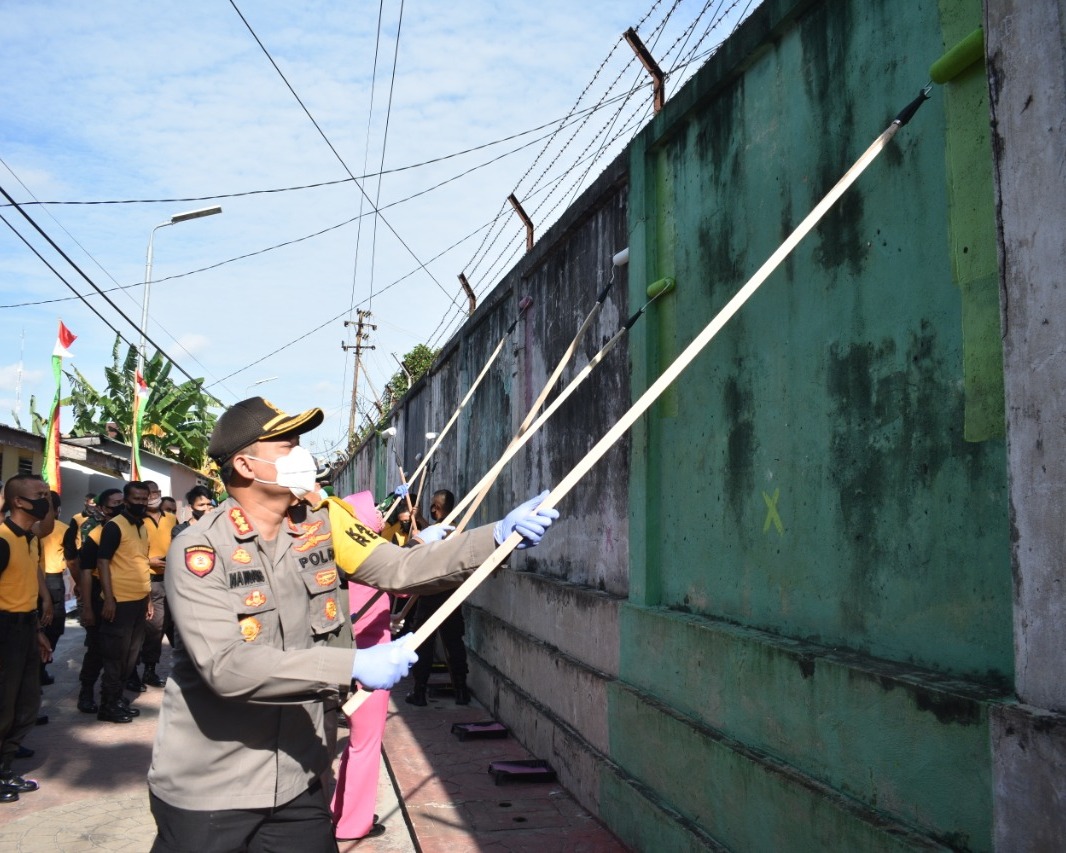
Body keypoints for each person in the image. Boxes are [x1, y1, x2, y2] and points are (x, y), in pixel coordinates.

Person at [147, 396, 558, 852]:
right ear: (245, 465)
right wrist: (350, 665)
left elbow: (401, 568)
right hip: (212, 784)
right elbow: (225, 666)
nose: (302, 454)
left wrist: (496, 535)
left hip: (298, 775)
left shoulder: (320, 523)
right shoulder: (198, 551)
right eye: (286, 445)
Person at [330, 491, 391, 842]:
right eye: (376, 513)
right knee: (366, 744)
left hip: (356, 659)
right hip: (369, 666)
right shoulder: (366, 566)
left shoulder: (343, 562)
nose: (381, 517)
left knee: (358, 742)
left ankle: (343, 810)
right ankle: (354, 823)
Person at [0, 475, 55, 803]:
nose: (45, 501)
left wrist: (36, 631)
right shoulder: (3, 539)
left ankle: (6, 769)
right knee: (3, 705)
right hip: (4, 629)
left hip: (23, 626)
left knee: (26, 702)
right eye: (40, 495)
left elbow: (45, 528)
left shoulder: (29, 538)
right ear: (18, 502)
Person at [404, 489, 472, 706]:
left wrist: (420, 523)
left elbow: (430, 542)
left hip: (435, 591)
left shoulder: (450, 530)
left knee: (426, 642)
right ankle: (458, 692)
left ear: (447, 507)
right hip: (448, 593)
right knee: (450, 643)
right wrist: (420, 518)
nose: (433, 509)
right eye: (432, 505)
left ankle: (421, 692)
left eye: (437, 506)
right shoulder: (456, 528)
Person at [94, 481, 152, 723]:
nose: (140, 503)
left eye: (144, 499)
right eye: (136, 499)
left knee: (131, 655)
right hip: (119, 602)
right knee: (115, 656)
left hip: (139, 600)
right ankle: (108, 705)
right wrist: (109, 598)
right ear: (126, 501)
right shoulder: (114, 526)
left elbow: (142, 562)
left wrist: (148, 599)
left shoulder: (142, 526)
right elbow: (102, 562)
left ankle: (117, 699)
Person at [77, 488, 123, 714]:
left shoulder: (132, 529)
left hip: (123, 594)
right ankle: (86, 691)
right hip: (99, 595)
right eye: (115, 504)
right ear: (104, 509)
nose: (120, 508)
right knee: (96, 647)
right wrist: (87, 608)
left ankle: (113, 694)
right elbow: (86, 572)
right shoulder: (95, 535)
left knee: (120, 649)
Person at [131, 481, 176, 690]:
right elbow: (129, 553)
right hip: (147, 579)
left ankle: (156, 669)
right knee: (152, 627)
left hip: (170, 578)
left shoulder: (171, 518)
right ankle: (141, 670)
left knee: (168, 626)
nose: (153, 496)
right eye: (149, 494)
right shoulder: (137, 521)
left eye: (156, 492)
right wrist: (149, 561)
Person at [37, 491, 71, 685]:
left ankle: (38, 669)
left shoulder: (26, 527)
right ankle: (39, 668)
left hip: (41, 579)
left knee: (45, 625)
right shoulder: (63, 528)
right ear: (57, 509)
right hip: (51, 579)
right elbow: (73, 561)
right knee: (53, 626)